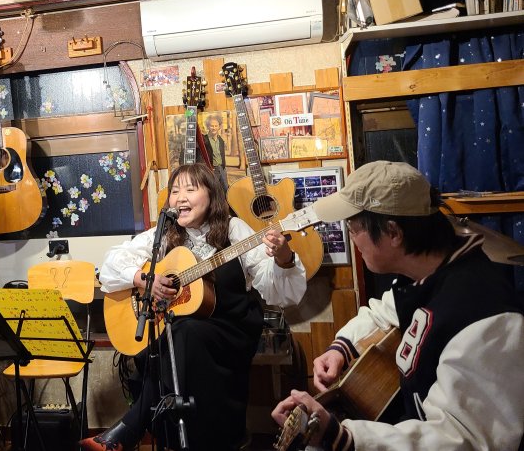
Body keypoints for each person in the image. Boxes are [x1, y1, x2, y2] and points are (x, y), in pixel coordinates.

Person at [271, 161, 524, 451]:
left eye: (353, 227)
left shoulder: (486, 319)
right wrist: (340, 348)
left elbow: (465, 439)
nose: (352, 238)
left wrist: (341, 437)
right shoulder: (428, 276)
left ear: (393, 232)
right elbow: (384, 310)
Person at [82, 163, 307, 451]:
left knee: (185, 334)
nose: (180, 198)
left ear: (212, 195)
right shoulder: (164, 234)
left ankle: (131, 426)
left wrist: (283, 258)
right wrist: (143, 279)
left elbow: (274, 287)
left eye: (190, 189)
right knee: (174, 339)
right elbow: (110, 264)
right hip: (181, 334)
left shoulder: (234, 229)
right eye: (175, 191)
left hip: (231, 331)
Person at [202, 112, 228, 192]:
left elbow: (221, 155)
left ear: (219, 127)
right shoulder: (204, 140)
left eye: (216, 126)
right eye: (212, 126)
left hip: (222, 169)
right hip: (212, 170)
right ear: (208, 126)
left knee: (225, 189)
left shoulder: (221, 140)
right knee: (214, 191)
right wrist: (208, 169)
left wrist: (223, 167)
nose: (214, 128)